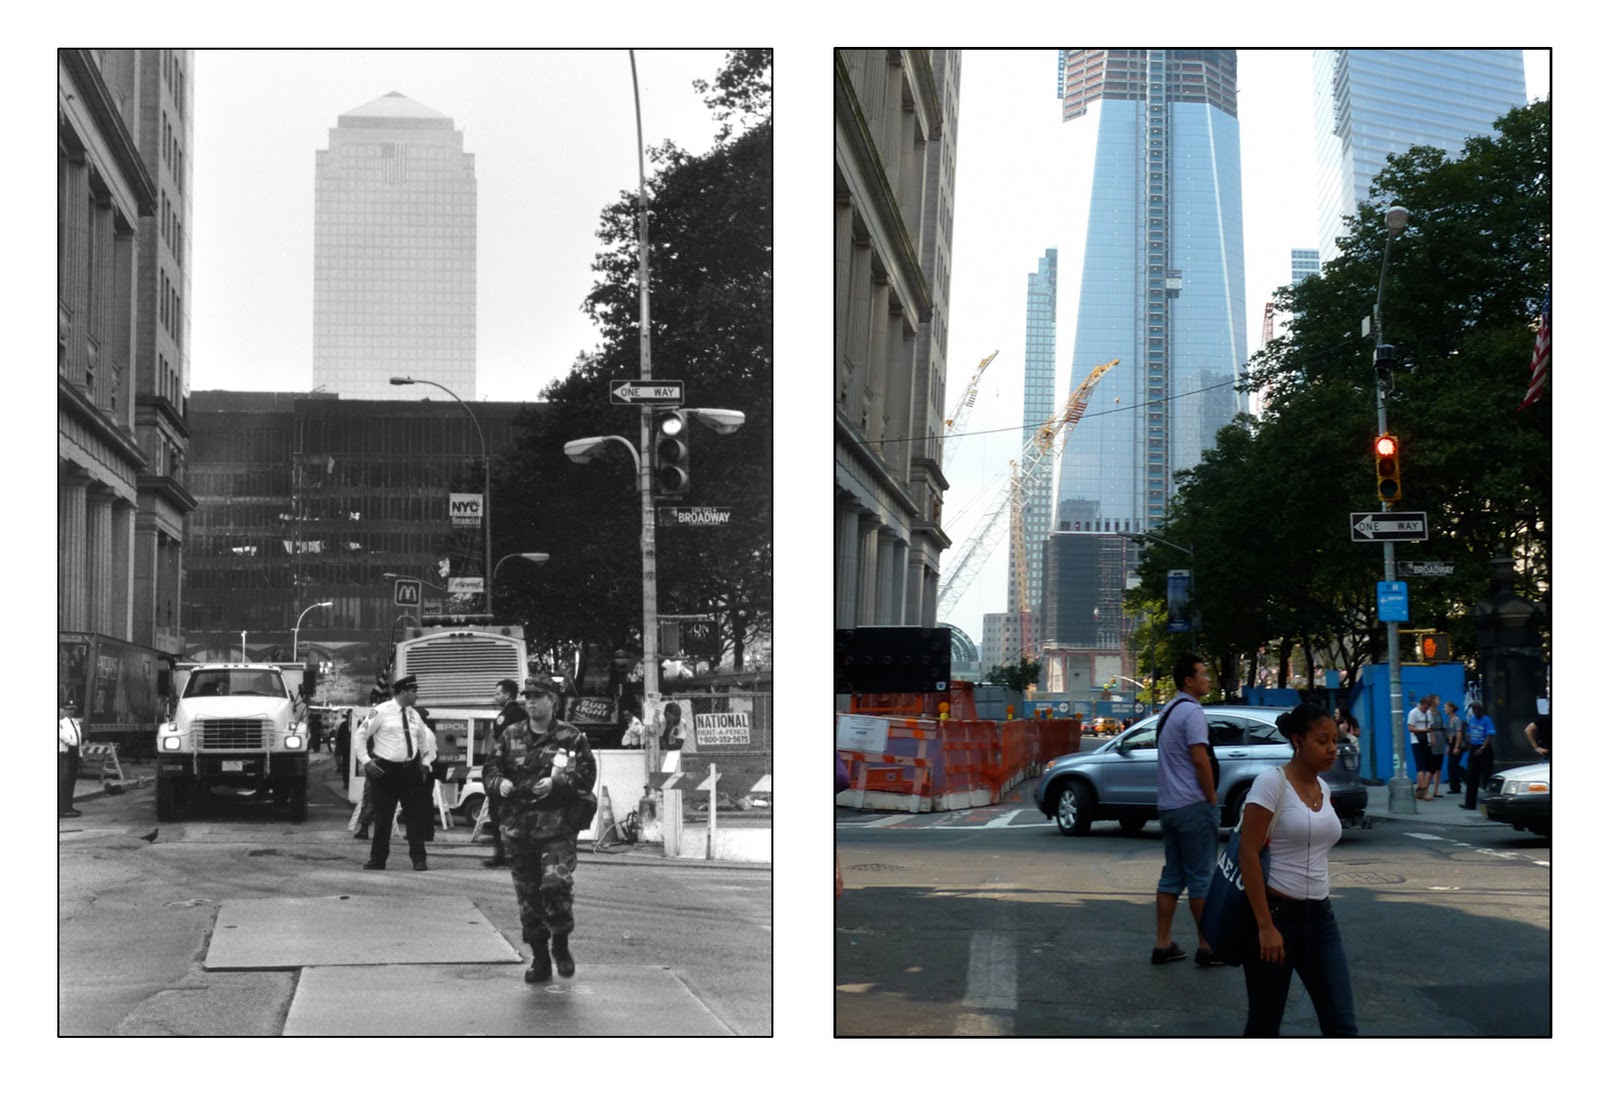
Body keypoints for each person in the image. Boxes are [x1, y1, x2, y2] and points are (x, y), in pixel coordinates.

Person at [1237, 703, 1358, 1036]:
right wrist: (1264, 926)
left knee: (1342, 1025)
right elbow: (1248, 853)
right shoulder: (1271, 784)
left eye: (1335, 739)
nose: (1332, 748)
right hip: (1276, 918)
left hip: (1321, 918)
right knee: (1264, 1024)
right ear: (1298, 741)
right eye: (1322, 740)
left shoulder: (1324, 788)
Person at [485, 676, 597, 983]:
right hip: (519, 829)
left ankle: (560, 943)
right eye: (528, 696)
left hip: (557, 827)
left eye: (538, 696)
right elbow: (490, 769)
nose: (531, 701)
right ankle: (540, 958)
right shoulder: (511, 734)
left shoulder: (570, 736)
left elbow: (587, 777)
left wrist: (558, 781)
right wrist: (499, 783)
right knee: (528, 898)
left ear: (553, 701)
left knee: (554, 885)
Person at [1152, 654, 1222, 967]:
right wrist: (1211, 797)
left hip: (1168, 805)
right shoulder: (1193, 712)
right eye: (1204, 675)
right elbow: (1200, 758)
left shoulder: (1168, 711)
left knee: (1172, 877)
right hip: (1192, 804)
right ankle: (1207, 946)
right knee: (1201, 877)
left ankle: (1162, 944)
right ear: (1188, 681)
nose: (1209, 679)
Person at [353, 675, 435, 871]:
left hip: (410, 772)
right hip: (386, 772)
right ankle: (378, 860)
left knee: (415, 818)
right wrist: (366, 761)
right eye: (414, 691)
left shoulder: (414, 715)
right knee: (383, 819)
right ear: (403, 692)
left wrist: (425, 762)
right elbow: (360, 735)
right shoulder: (380, 711)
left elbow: (423, 740)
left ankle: (419, 860)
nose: (417, 695)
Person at [480, 678, 526, 868]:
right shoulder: (524, 714)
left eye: (498, 693)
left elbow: (499, 745)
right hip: (521, 772)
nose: (495, 696)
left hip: (504, 772)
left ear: (507, 695)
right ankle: (517, 855)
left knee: (498, 814)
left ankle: (500, 854)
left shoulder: (504, 716)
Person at [1462, 702, 1497, 811]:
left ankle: (1488, 804)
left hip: (1484, 750)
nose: (1476, 711)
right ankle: (1469, 803)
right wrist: (1469, 746)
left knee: (1486, 776)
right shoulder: (1472, 719)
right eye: (1474, 709)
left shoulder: (1487, 720)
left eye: (1477, 709)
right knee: (1472, 777)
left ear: (1481, 709)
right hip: (1473, 747)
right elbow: (1469, 733)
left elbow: (1489, 735)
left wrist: (1482, 748)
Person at [1406, 695, 1436, 800]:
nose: (1426, 710)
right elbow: (1410, 727)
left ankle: (1419, 789)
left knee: (1429, 766)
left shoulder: (1428, 714)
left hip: (1426, 741)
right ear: (1421, 704)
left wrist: (1432, 738)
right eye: (1425, 707)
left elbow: (1431, 727)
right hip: (1416, 740)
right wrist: (1423, 731)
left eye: (1427, 708)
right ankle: (1424, 790)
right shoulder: (1413, 713)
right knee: (1421, 767)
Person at [59, 703, 83, 818]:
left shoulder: (76, 722)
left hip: (74, 753)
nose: (71, 711)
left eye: (73, 709)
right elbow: (64, 737)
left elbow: (79, 739)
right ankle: (62, 809)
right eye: (68, 709)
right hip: (66, 753)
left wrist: (80, 754)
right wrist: (70, 741)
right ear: (63, 710)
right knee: (64, 782)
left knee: (71, 781)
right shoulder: (61, 723)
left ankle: (69, 807)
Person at [1426, 698, 1448, 799]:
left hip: (1440, 737)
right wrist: (1431, 738)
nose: (1439, 701)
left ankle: (1436, 790)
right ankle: (1424, 789)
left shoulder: (1438, 712)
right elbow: (1429, 726)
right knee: (1432, 766)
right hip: (1433, 736)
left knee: (1438, 767)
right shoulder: (1429, 713)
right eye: (1437, 700)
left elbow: (1442, 726)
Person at [1443, 701, 1467, 794]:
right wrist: (1449, 747)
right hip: (1451, 743)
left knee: (1453, 765)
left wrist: (1457, 746)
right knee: (1452, 765)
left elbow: (1459, 733)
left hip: (1457, 743)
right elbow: (1450, 736)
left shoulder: (1456, 720)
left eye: (1446, 707)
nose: (1444, 709)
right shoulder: (1449, 720)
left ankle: (1462, 781)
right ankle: (1455, 786)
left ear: (1451, 708)